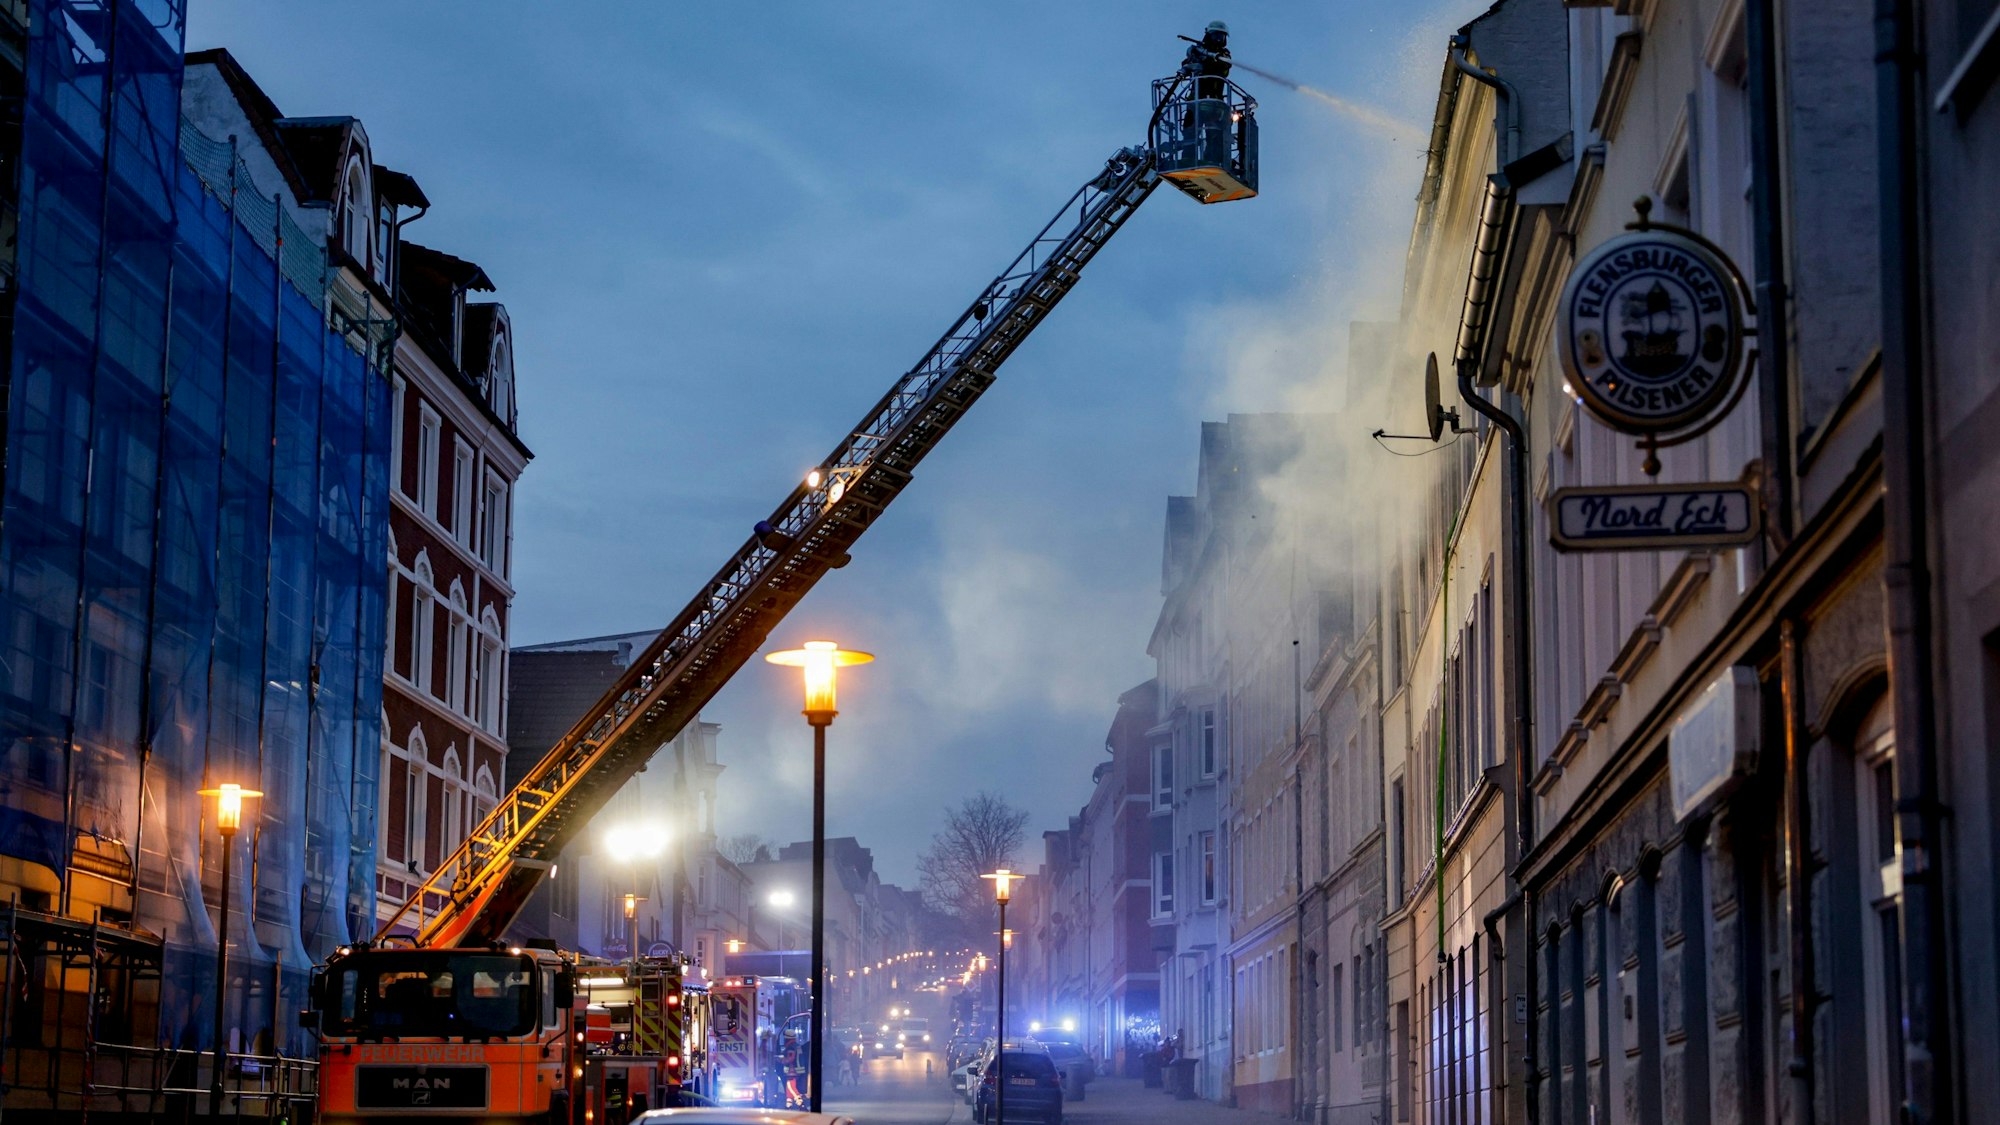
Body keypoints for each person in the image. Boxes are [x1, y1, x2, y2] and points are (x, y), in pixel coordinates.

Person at [1181, 20, 1232, 100]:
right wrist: (1195, 56)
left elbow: (1226, 67)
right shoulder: (1199, 50)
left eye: (1221, 37)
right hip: (1197, 97)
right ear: (1209, 35)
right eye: (1216, 36)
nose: (1218, 40)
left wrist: (1213, 62)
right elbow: (1187, 64)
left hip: (1215, 97)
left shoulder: (1224, 54)